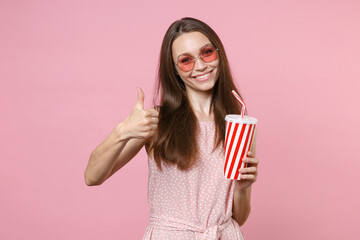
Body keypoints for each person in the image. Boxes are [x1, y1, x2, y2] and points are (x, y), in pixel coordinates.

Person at [84, 17, 259, 240]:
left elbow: (239, 217)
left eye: (206, 52)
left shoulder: (239, 125)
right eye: (186, 60)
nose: (201, 65)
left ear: (218, 53)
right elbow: (92, 176)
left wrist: (243, 188)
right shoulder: (157, 122)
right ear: (175, 70)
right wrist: (122, 131)